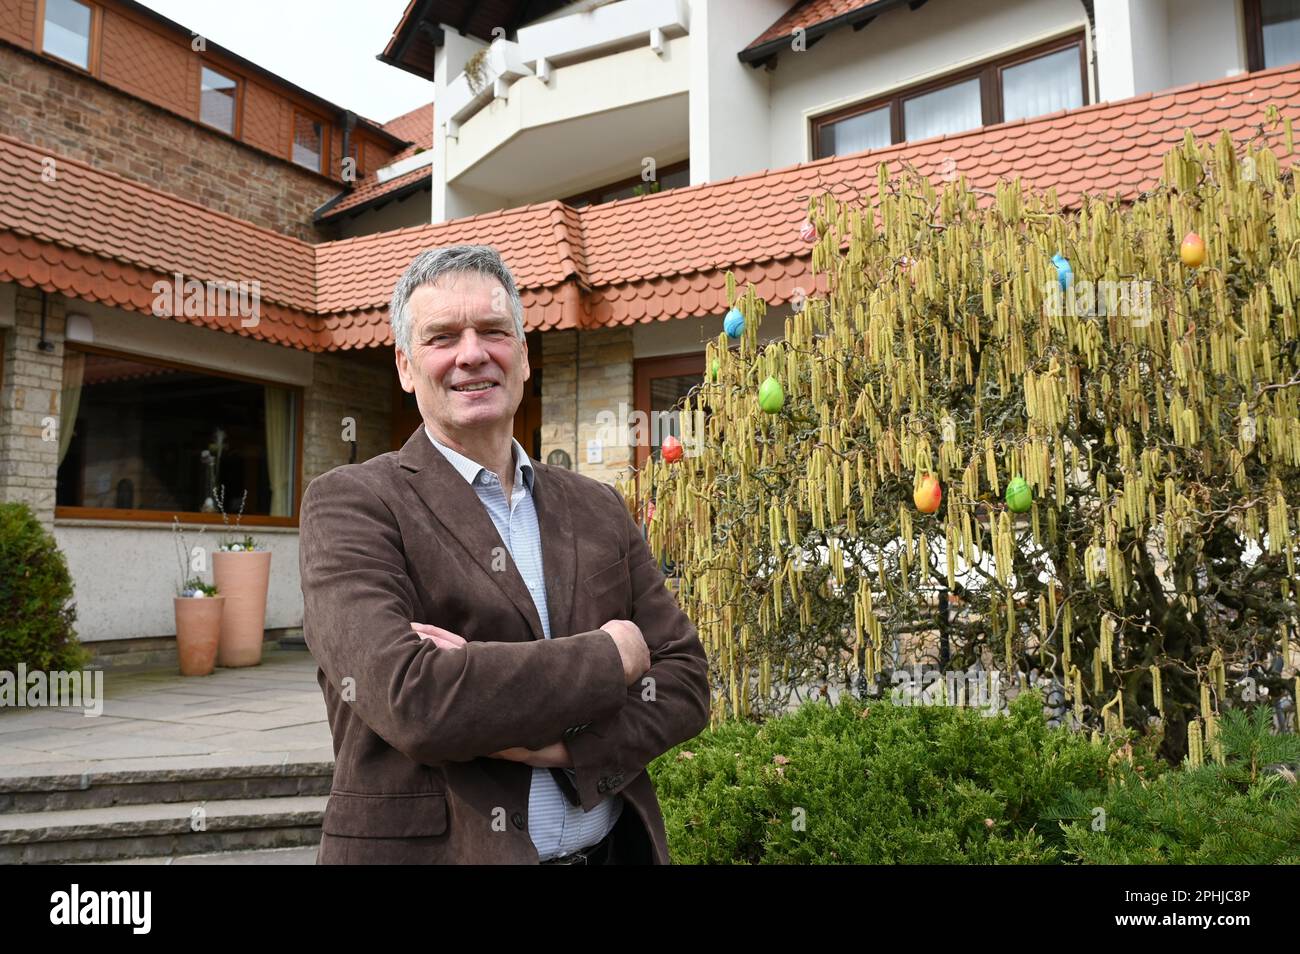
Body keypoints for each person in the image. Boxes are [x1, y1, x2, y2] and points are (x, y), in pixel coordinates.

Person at [299, 244, 711, 864]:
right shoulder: (351, 504)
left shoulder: (597, 505)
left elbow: (684, 681)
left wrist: (561, 747)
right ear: (407, 367)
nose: (472, 354)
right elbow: (415, 700)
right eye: (442, 338)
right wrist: (613, 655)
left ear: (521, 357)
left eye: (493, 331)